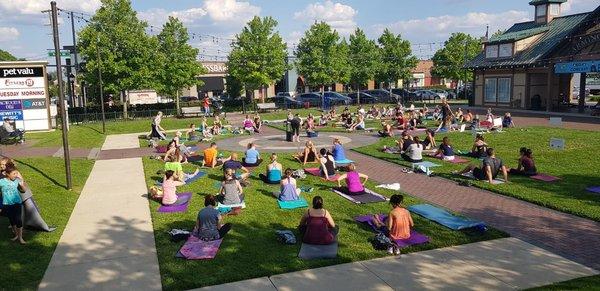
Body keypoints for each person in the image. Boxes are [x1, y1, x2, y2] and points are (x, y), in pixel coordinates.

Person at [0, 165, 26, 244]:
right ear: (7, 174)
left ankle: (20, 238)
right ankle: (16, 235)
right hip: (7, 204)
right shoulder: (1, 182)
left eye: (16, 173)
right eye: (14, 174)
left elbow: (23, 191)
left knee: (18, 220)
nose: (16, 175)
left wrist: (22, 186)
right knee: (12, 220)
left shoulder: (17, 181)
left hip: (17, 203)